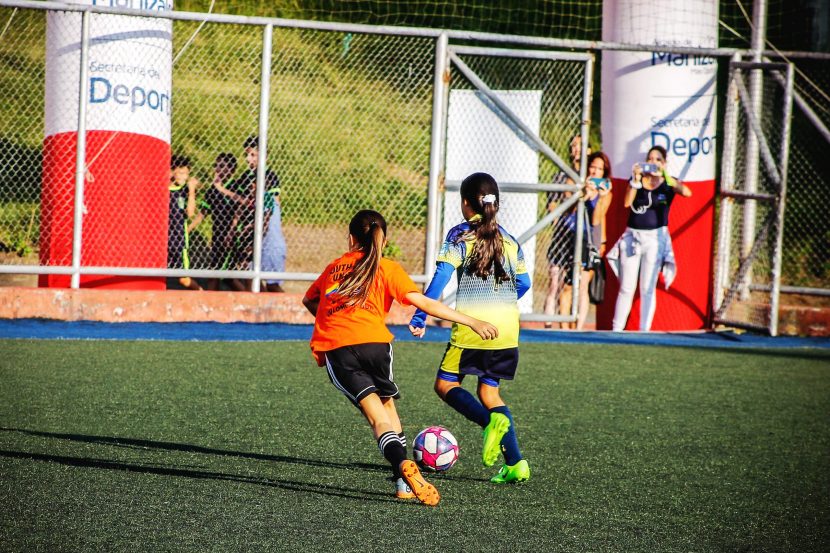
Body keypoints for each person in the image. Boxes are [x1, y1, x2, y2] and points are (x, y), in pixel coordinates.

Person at [302, 209, 498, 506]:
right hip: (376, 345)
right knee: (387, 406)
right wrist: (471, 321)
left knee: (377, 419)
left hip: (339, 347)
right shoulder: (388, 267)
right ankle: (402, 484)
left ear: (351, 238)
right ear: (384, 239)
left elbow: (309, 299)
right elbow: (422, 302)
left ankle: (401, 467)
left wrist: (333, 319)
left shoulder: (334, 267)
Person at [409, 173, 532, 485]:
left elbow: (440, 278)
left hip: (473, 329)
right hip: (507, 330)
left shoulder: (460, 235)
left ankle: (489, 423)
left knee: (445, 385)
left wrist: (421, 316)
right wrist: (502, 301)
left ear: (465, 203)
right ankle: (516, 463)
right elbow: (525, 283)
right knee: (489, 391)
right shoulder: (509, 239)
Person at [607, 145, 692, 331]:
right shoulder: (638, 180)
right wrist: (636, 180)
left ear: (664, 163)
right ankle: (616, 330)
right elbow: (627, 203)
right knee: (626, 287)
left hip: (654, 239)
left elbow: (687, 192)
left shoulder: (668, 184)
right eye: (650, 159)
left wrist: (665, 175)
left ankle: (644, 331)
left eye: (658, 159)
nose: (653, 162)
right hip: (632, 236)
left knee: (647, 287)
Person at [228, 136, 285, 292]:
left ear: (264, 156)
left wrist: (257, 229)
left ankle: (290, 315)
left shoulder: (270, 176)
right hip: (251, 237)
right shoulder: (246, 177)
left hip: (268, 239)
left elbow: (272, 207)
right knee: (253, 281)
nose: (248, 159)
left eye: (253, 155)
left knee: (272, 285)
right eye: (247, 154)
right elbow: (240, 202)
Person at [543, 134, 585, 329]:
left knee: (576, 285)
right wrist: (559, 220)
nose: (576, 149)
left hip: (581, 236)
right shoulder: (561, 175)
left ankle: (571, 324)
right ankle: (548, 324)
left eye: (580, 146)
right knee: (554, 283)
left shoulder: (590, 174)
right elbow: (551, 204)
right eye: (573, 146)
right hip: (562, 234)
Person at [570, 151, 613, 330]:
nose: (595, 172)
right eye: (593, 167)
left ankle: (578, 327)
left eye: (600, 169)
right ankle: (564, 326)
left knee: (582, 283)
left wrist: (600, 196)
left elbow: (596, 220)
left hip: (589, 240)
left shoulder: (606, 194)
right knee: (567, 285)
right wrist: (584, 195)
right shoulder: (579, 185)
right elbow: (569, 211)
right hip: (572, 236)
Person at [198, 153, 245, 291]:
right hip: (217, 238)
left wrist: (232, 232)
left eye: (222, 166)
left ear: (231, 170)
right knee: (221, 276)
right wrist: (186, 231)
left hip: (230, 238)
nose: (217, 169)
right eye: (216, 166)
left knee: (220, 275)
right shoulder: (212, 190)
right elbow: (202, 214)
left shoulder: (236, 186)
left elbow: (242, 205)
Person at [167, 155, 202, 290]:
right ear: (172, 172)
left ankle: (200, 292)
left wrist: (192, 190)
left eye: (187, 173)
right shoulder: (163, 189)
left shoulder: (184, 191)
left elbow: (190, 213)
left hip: (178, 238)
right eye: (181, 172)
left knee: (183, 278)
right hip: (161, 237)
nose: (184, 177)